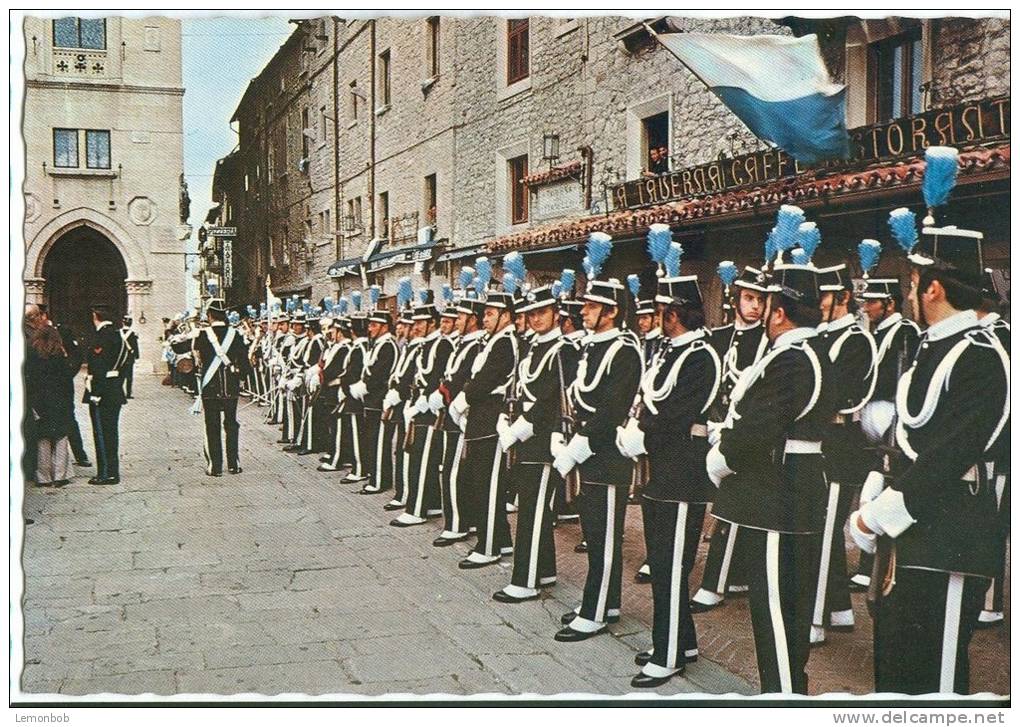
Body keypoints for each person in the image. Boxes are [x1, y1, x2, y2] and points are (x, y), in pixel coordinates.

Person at [850, 222, 1009, 694]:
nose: (908, 295)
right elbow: (922, 433)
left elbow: (948, 456)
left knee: (935, 689)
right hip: (916, 536)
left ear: (934, 288)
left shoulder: (979, 355)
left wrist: (874, 518)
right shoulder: (933, 346)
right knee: (896, 676)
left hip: (950, 539)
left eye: (913, 285)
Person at [707, 261, 834, 694]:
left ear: (778, 312)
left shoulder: (794, 359)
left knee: (776, 612)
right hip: (788, 486)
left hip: (780, 491)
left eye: (767, 305)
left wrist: (720, 458)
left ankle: (782, 703)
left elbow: (757, 425)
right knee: (784, 611)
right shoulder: (802, 353)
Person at [618, 273, 721, 687]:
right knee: (662, 561)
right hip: (663, 468)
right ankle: (684, 641)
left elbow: (679, 412)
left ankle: (669, 653)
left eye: (662, 312)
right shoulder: (670, 351)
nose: (657, 318)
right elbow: (652, 399)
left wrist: (642, 435)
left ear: (675, 314)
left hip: (684, 471)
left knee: (670, 564)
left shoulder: (701, 356)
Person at [552, 234, 642, 642]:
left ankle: (597, 610)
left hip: (606, 455)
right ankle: (605, 601)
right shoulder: (593, 346)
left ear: (609, 312)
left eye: (590, 306)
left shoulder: (623, 348)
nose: (583, 312)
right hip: (587, 450)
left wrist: (581, 444)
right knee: (594, 530)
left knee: (604, 536)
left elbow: (612, 407)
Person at [691, 266, 769, 613]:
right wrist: (707, 422)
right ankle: (732, 576)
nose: (755, 306)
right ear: (735, 299)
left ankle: (717, 582)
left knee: (733, 507)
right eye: (749, 298)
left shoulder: (768, 342)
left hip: (742, 433)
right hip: (712, 428)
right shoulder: (716, 337)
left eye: (762, 300)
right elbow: (708, 383)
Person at [494, 284, 579, 602]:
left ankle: (525, 580)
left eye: (542, 312)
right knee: (533, 506)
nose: (536, 318)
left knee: (532, 509)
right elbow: (518, 388)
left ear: (556, 314)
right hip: (526, 438)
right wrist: (506, 418)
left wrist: (519, 428)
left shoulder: (563, 349)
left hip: (545, 441)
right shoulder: (532, 347)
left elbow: (551, 399)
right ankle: (544, 570)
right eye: (531, 313)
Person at [809, 262, 878, 646]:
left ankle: (816, 618)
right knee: (823, 531)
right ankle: (839, 609)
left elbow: (837, 394)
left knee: (824, 531)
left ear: (843, 298)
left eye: (823, 296)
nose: (817, 303)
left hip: (841, 446)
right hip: (822, 443)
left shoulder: (855, 340)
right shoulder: (821, 336)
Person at [851, 278, 921, 591]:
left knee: (881, 492)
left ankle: (875, 566)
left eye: (873, 302)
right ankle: (868, 562)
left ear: (890, 303)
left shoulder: (905, 331)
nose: (867, 307)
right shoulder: (876, 333)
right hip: (873, 424)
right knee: (870, 493)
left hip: (891, 422)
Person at [449, 263, 520, 569]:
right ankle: (500, 539)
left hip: (491, 417)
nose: (485, 318)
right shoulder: (493, 341)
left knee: (488, 484)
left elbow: (487, 378)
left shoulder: (506, 342)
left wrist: (464, 398)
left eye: (491, 314)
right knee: (480, 481)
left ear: (506, 315)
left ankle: (489, 545)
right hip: (480, 417)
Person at [433, 282, 486, 547]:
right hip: (451, 412)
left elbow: (464, 378)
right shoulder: (463, 343)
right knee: (455, 471)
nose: (457, 321)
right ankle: (464, 520)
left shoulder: (476, 345)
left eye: (462, 317)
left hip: (461, 414)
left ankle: (457, 524)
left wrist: (446, 393)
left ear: (473, 320)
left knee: (454, 472)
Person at [392, 296, 452, 526]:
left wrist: (424, 401)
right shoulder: (425, 344)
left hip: (431, 409)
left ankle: (416, 509)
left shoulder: (442, 344)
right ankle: (433, 504)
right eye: (414, 323)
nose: (415, 327)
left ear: (432, 323)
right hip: (419, 405)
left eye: (421, 322)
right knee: (418, 456)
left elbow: (438, 375)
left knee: (423, 460)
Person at [179, 299, 253, 476]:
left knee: (212, 426)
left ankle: (215, 466)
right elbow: (245, 364)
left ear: (209, 315)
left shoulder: (202, 335)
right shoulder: (235, 335)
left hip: (210, 388)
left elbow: (179, 349)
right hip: (230, 387)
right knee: (231, 424)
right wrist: (240, 378)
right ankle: (234, 464)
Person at [24, 305, 76, 487]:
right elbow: (66, 380)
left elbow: (28, 378)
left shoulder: (31, 353)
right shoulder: (58, 356)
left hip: (39, 400)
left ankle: (43, 476)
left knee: (42, 437)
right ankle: (60, 475)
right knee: (60, 436)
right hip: (58, 400)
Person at [349, 301, 398, 494]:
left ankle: (379, 481)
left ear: (384, 327)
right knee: (372, 440)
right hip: (371, 401)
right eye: (369, 325)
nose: (370, 328)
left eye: (374, 325)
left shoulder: (388, 345)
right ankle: (374, 475)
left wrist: (364, 387)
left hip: (380, 400)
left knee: (379, 442)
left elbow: (380, 373)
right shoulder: (378, 344)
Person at [83, 304, 129, 485]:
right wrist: (117, 383)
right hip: (114, 391)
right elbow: (127, 363)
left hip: (102, 393)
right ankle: (112, 470)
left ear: (96, 316)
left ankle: (106, 473)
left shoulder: (101, 337)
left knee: (102, 433)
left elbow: (100, 368)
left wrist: (96, 392)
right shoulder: (119, 335)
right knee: (111, 433)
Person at [120, 316, 140, 399]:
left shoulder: (118, 332)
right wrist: (137, 355)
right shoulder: (132, 334)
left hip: (120, 357)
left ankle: (119, 393)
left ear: (123, 322)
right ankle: (128, 394)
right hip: (129, 357)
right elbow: (135, 346)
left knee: (120, 376)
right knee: (129, 377)